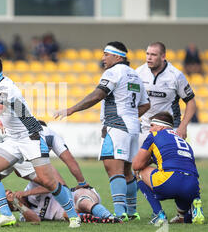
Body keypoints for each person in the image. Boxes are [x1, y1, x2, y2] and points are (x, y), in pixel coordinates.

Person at [0, 54, 81, 228]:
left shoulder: (6, 86)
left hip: (31, 136)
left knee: (48, 181)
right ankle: (6, 214)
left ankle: (73, 216)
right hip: (13, 139)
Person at [54, 41, 150, 221]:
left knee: (113, 169)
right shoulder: (136, 75)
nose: (103, 58)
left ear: (118, 57)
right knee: (127, 171)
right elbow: (146, 104)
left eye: (107, 54)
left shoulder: (114, 72)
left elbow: (98, 95)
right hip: (132, 127)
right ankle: (132, 211)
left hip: (117, 126)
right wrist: (129, 115)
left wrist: (71, 110)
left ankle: (120, 213)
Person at [0, 120, 90, 223]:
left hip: (10, 145)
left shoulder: (22, 122)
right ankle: (71, 213)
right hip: (27, 150)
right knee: (54, 182)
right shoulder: (52, 135)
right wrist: (81, 182)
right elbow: (70, 161)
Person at [132, 111, 205, 225]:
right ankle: (192, 207)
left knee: (139, 172)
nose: (150, 130)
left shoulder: (154, 136)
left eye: (152, 126)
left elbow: (136, 164)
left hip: (170, 181)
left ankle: (159, 214)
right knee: (185, 219)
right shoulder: (182, 140)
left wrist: (151, 159)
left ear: (160, 126)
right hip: (193, 186)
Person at [136, 42, 197, 142]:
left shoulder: (176, 75)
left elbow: (191, 102)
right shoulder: (138, 72)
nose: (149, 58)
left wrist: (183, 126)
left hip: (169, 128)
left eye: (153, 55)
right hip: (145, 128)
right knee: (141, 158)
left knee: (166, 158)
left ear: (163, 56)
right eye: (147, 54)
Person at [6, 181, 121, 224]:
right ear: (13, 208)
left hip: (77, 195)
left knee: (83, 203)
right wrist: (18, 204)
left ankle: (109, 217)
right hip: (70, 213)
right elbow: (36, 220)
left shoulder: (31, 187)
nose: (14, 197)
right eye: (11, 202)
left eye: (11, 193)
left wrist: (27, 193)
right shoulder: (24, 215)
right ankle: (98, 220)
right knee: (68, 215)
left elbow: (53, 185)